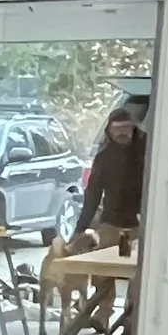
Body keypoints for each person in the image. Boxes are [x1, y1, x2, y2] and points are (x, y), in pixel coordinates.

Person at [68, 96, 147, 252]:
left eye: (126, 128)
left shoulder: (147, 153)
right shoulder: (104, 158)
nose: (121, 133)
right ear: (109, 131)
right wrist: (80, 228)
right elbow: (93, 194)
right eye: (117, 129)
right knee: (102, 272)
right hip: (111, 225)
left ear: (133, 129)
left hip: (141, 226)